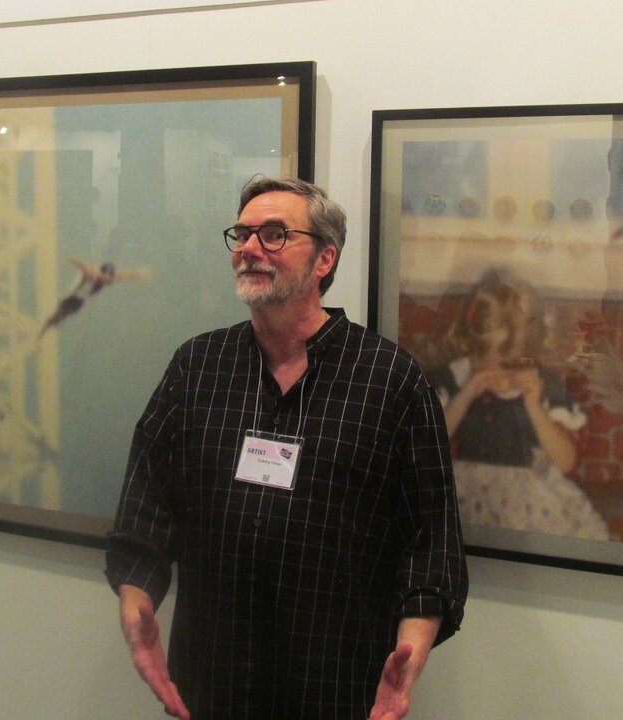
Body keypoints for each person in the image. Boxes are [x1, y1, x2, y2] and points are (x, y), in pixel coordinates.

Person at [105, 176, 467, 720]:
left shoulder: (392, 381)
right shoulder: (197, 368)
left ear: (325, 259)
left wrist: (409, 659)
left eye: (274, 234)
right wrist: (137, 611)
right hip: (211, 686)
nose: (249, 248)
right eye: (242, 234)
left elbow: (431, 542)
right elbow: (144, 510)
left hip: (334, 690)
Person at [434, 268, 609, 540]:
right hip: (467, 492)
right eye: (487, 366)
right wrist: (466, 394)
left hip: (529, 495)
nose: (501, 377)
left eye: (510, 366)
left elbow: (566, 461)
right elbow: (428, 445)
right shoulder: (455, 378)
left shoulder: (544, 387)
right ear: (470, 347)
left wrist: (534, 407)